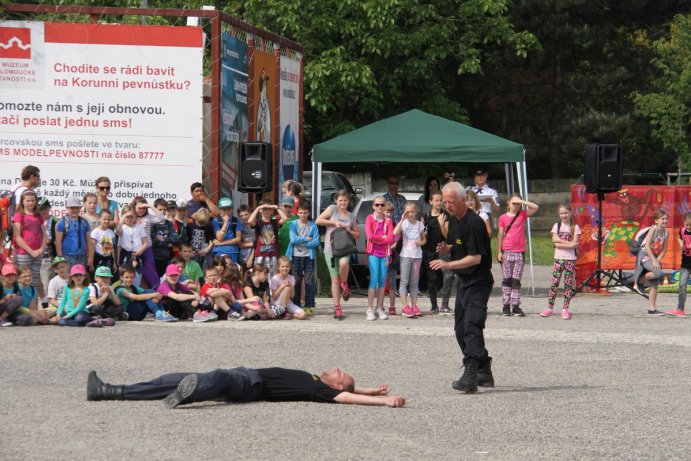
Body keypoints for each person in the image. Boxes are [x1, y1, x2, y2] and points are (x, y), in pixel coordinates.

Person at [430, 182, 494, 394]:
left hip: (478, 281)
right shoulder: (454, 221)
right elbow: (459, 246)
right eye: (444, 201)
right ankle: (484, 367)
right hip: (464, 282)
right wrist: (448, 248)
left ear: (462, 200)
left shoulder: (474, 223)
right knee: (460, 330)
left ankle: (471, 374)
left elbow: (475, 258)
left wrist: (447, 264)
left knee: (472, 325)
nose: (447, 205)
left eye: (450, 201)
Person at [86, 367, 405, 409]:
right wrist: (370, 390)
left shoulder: (320, 390)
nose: (337, 368)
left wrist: (384, 402)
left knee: (221, 378)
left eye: (340, 372)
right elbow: (350, 389)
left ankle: (189, 393)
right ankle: (112, 391)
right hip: (244, 377)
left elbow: (344, 395)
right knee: (173, 378)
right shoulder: (317, 381)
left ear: (335, 384)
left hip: (250, 383)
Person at [315, 190, 359, 320]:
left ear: (348, 201)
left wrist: (350, 231)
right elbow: (318, 220)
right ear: (336, 201)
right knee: (334, 279)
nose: (342, 203)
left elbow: (358, 235)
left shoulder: (351, 216)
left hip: (345, 249)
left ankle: (344, 284)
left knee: (344, 263)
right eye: (340, 200)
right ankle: (337, 308)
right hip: (330, 249)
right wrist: (334, 223)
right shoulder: (332, 209)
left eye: (345, 200)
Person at [496, 194, 539, 317]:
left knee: (516, 280)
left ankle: (515, 305)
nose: (515, 206)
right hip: (506, 251)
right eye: (513, 203)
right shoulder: (503, 218)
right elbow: (500, 234)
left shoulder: (522, 215)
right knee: (506, 280)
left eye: (517, 204)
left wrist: (522, 201)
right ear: (508, 203)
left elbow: (536, 207)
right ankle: (505, 305)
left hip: (519, 252)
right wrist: (499, 251)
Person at [542, 205, 581, 320]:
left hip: (570, 259)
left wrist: (561, 242)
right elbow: (555, 242)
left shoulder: (575, 227)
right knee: (554, 283)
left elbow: (574, 243)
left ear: (570, 213)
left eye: (566, 213)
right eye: (561, 213)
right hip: (558, 258)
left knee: (568, 285)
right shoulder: (556, 226)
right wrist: (570, 244)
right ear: (559, 215)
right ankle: (549, 308)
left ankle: (565, 309)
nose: (564, 215)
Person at [631, 209, 669, 315]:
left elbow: (664, 250)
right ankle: (639, 280)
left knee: (655, 283)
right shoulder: (653, 229)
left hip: (655, 257)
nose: (665, 221)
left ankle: (651, 309)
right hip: (645, 255)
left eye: (666, 219)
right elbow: (647, 246)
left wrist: (658, 260)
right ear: (656, 220)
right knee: (659, 273)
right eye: (663, 219)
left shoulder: (666, 233)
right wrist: (653, 260)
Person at [422, 191, 453, 315]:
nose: (439, 203)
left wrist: (441, 224)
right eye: (436, 200)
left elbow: (447, 236)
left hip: (443, 249)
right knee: (431, 278)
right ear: (431, 202)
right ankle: (434, 306)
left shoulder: (446, 215)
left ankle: (444, 305)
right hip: (429, 250)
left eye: (441, 200)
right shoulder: (426, 216)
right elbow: (420, 231)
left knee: (448, 276)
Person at [12, 190, 47, 297]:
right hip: (23, 253)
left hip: (38, 253)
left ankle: (34, 306)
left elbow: (44, 235)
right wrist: (31, 251)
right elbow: (17, 237)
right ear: (23, 201)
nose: (30, 203)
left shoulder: (39, 216)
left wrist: (41, 249)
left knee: (35, 280)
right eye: (28, 201)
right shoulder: (18, 215)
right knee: (23, 280)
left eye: (32, 201)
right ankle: (22, 305)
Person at [393, 201, 426, 318]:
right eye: (408, 212)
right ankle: (405, 306)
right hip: (405, 255)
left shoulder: (419, 224)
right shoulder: (404, 223)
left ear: (416, 212)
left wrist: (420, 242)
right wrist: (402, 219)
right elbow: (394, 232)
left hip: (417, 256)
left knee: (414, 281)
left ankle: (414, 305)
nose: (410, 214)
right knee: (404, 280)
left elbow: (424, 239)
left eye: (412, 212)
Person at [286, 203, 319, 316]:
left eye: (305, 213)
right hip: (295, 256)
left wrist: (306, 243)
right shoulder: (293, 224)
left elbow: (316, 241)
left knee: (309, 281)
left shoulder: (313, 226)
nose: (303, 215)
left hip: (308, 257)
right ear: (297, 213)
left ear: (308, 213)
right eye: (300, 212)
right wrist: (306, 239)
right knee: (296, 281)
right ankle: (296, 305)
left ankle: (309, 306)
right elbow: (293, 240)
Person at [365, 196, 394, 321]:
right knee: (374, 279)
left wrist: (383, 238)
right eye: (377, 205)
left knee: (382, 280)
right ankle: (369, 308)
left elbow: (391, 238)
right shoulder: (369, 218)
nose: (380, 207)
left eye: (382, 205)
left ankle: (379, 307)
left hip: (385, 254)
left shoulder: (388, 221)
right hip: (373, 253)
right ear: (373, 206)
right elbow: (370, 236)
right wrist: (383, 237)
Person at [247, 199, 289, 278]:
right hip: (260, 254)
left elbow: (285, 218)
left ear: (272, 210)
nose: (267, 211)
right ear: (260, 210)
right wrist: (258, 208)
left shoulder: (274, 222)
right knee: (258, 277)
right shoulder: (258, 222)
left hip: (273, 255)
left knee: (272, 278)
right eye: (264, 209)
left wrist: (276, 207)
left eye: (269, 209)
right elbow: (250, 221)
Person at [132, 197, 166, 287]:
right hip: (134, 250)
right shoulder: (131, 217)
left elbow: (162, 218)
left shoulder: (148, 217)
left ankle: (157, 290)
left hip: (147, 249)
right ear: (134, 207)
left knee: (150, 272)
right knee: (134, 273)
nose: (142, 210)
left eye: (144, 208)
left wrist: (150, 206)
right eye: (139, 208)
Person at [55, 195, 93, 269]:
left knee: (80, 278)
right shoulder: (62, 222)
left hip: (82, 256)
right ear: (67, 208)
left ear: (80, 208)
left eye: (77, 207)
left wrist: (90, 257)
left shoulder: (84, 222)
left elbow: (89, 240)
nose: (75, 210)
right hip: (67, 256)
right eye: (72, 208)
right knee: (68, 278)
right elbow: (58, 241)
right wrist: (60, 257)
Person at [116, 206, 148, 286]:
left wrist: (141, 250)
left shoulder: (140, 227)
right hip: (125, 256)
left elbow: (145, 243)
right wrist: (123, 218)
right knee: (125, 277)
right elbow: (117, 232)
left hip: (137, 256)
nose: (129, 219)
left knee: (136, 277)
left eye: (132, 217)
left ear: (135, 217)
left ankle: (135, 293)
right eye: (127, 217)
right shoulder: (122, 227)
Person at [667, 213, 691, 316]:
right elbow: (679, 237)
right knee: (682, 285)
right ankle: (680, 309)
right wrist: (681, 243)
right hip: (685, 264)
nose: (689, 227)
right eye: (687, 225)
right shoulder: (682, 230)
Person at [151, 198, 180, 276]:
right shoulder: (152, 224)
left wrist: (162, 239)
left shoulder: (169, 224)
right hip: (154, 259)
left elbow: (176, 239)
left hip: (167, 259)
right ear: (155, 209)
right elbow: (153, 241)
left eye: (164, 209)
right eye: (160, 209)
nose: (162, 212)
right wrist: (168, 242)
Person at [212, 197, 243, 264]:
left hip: (233, 251)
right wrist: (225, 223)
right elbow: (220, 238)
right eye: (224, 209)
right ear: (220, 210)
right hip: (219, 251)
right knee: (220, 269)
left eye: (229, 209)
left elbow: (238, 239)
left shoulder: (236, 221)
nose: (227, 212)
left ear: (232, 209)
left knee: (232, 271)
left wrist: (221, 243)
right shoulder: (216, 221)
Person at [89, 210, 117, 276]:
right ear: (99, 218)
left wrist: (114, 263)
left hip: (108, 260)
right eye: (104, 219)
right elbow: (92, 248)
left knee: (107, 278)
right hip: (98, 259)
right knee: (99, 278)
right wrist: (91, 263)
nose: (107, 221)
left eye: (108, 219)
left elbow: (112, 249)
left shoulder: (111, 232)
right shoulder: (95, 232)